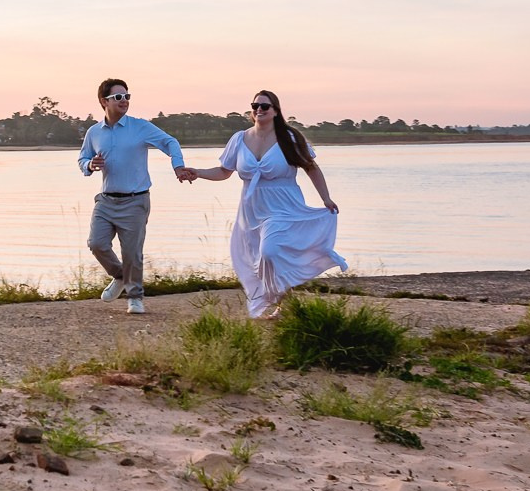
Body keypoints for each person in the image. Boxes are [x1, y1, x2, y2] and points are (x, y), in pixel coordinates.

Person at [183, 89, 347, 318]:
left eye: (264, 106)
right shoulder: (240, 139)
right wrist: (197, 172)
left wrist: (325, 198)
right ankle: (285, 303)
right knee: (259, 260)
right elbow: (224, 171)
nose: (259, 109)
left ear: (276, 111)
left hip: (284, 206)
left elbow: (311, 167)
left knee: (270, 251)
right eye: (255, 105)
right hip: (251, 209)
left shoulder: (289, 138)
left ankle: (279, 298)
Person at [77, 78, 188, 314]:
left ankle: (135, 297)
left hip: (136, 200)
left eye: (127, 96)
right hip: (106, 200)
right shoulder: (94, 132)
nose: (124, 101)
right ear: (103, 101)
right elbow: (82, 159)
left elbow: (170, 142)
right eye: (118, 97)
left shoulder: (140, 127)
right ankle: (120, 276)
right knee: (96, 243)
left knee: (131, 252)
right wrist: (90, 164)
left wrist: (178, 166)